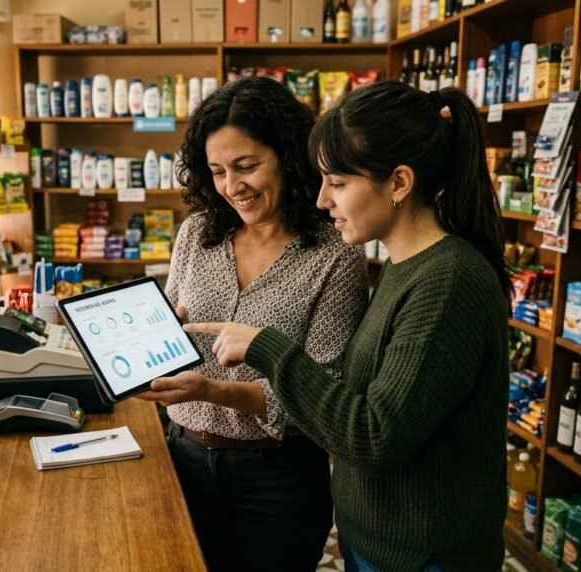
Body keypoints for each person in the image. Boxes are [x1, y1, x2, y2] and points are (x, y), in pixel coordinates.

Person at [146, 81, 511, 571]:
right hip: (373, 539)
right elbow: (366, 402)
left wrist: (266, 352)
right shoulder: (408, 266)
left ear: (399, 183)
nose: (322, 199)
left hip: (415, 551)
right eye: (217, 171)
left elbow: (371, 432)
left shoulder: (443, 280)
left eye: (337, 183)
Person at [138, 76, 368, 572]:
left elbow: (323, 391)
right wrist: (152, 344)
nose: (231, 187)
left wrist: (217, 391)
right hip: (183, 460)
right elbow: (176, 323)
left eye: (246, 166)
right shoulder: (197, 233)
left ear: (287, 156)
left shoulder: (335, 252)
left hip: (278, 477)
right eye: (217, 171)